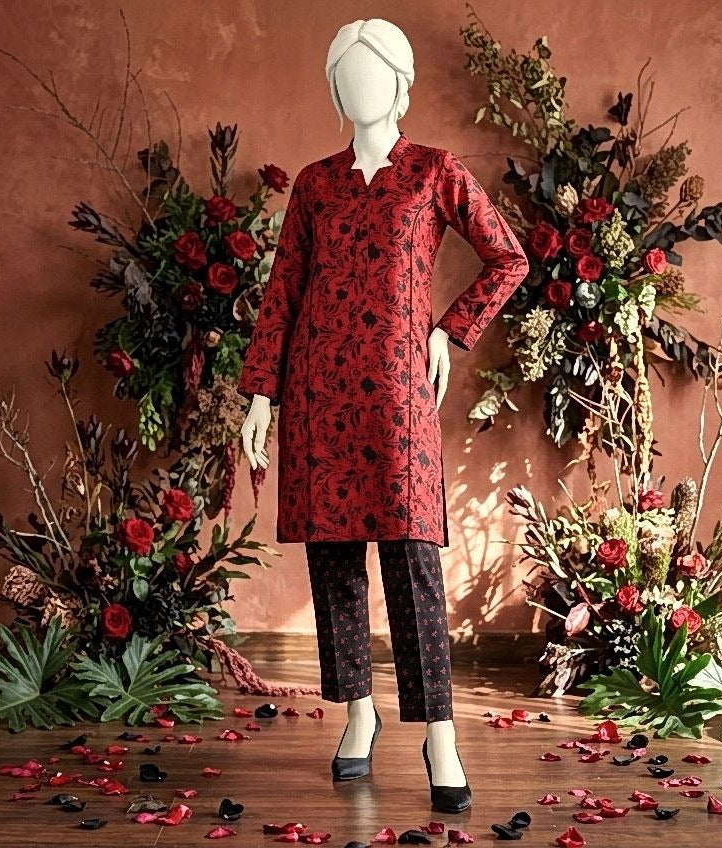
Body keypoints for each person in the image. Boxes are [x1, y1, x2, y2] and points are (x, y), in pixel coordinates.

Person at [237, 18, 528, 814]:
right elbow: (283, 293)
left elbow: (509, 258)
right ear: (335, 88)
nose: (362, 87)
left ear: (401, 83)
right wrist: (261, 393)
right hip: (318, 395)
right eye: (347, 74)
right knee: (333, 561)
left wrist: (449, 329)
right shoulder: (315, 184)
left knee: (411, 560)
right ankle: (358, 717)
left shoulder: (434, 173)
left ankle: (440, 734)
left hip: (397, 397)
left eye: (375, 72)